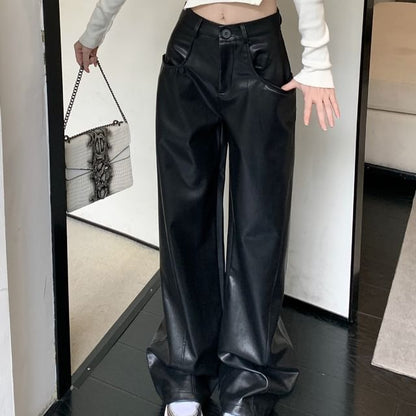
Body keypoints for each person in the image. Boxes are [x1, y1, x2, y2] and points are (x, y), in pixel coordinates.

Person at [75, 1, 340, 415]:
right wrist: (95, 30)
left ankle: (248, 382)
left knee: (260, 222)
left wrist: (317, 57)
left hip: (261, 51)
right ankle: (184, 376)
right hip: (189, 51)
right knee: (184, 218)